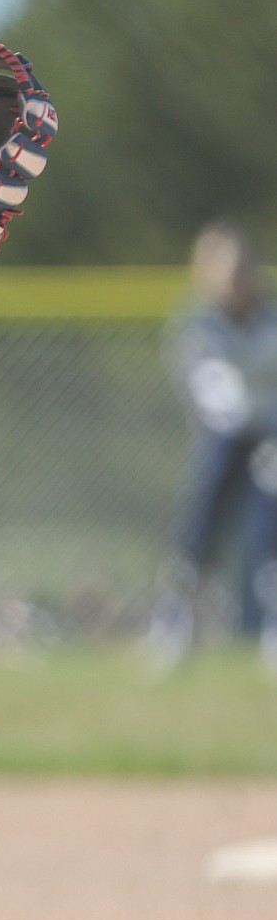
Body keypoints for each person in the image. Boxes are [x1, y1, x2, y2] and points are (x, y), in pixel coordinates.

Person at [148, 221, 277, 668]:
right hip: (223, 438)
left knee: (268, 534)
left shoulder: (270, 318)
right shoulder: (197, 323)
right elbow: (207, 393)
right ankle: (175, 625)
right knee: (197, 534)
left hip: (268, 437)